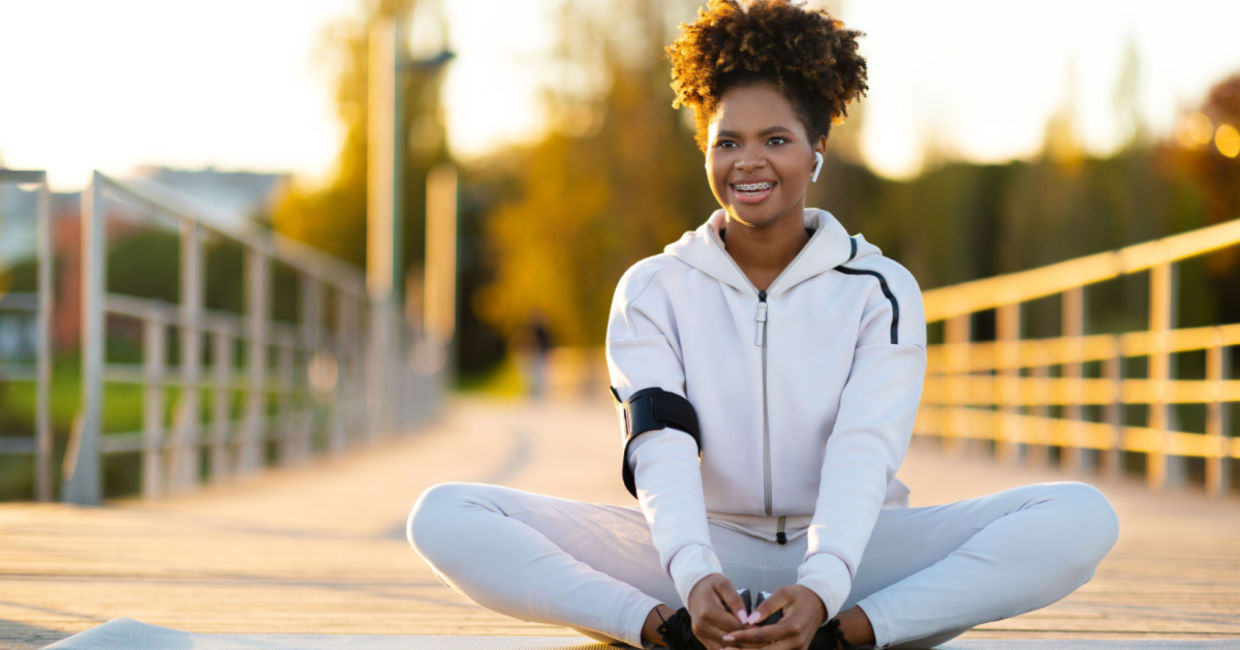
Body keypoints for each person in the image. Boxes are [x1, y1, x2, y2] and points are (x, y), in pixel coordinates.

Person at [407, 1, 1119, 648]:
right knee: (444, 514)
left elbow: (863, 451)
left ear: (818, 148)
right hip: (697, 555)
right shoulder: (653, 289)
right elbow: (660, 447)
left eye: (776, 139)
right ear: (706, 149)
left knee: (1081, 517)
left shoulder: (881, 291)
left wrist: (825, 588)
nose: (748, 161)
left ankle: (846, 637)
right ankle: (664, 632)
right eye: (727, 141)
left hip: (855, 559)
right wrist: (689, 577)